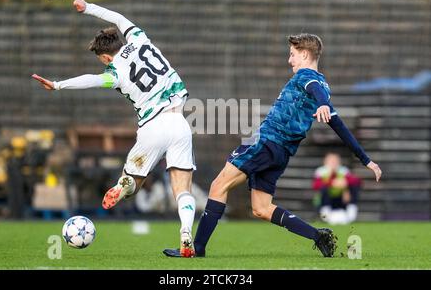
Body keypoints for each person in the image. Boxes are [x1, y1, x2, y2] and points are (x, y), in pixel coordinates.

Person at [163, 33, 382, 258]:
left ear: (305, 54)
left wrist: (324, 104)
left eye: (293, 55)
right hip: (281, 153)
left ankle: (196, 249)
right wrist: (366, 160)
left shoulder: (307, 77)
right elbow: (340, 127)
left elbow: (314, 87)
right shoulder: (324, 87)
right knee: (262, 208)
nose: (290, 60)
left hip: (265, 143)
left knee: (218, 186)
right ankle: (318, 236)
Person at [32, 0, 197, 257]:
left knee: (134, 183)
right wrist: (87, 8)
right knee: (182, 187)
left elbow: (92, 80)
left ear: (107, 56)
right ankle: (186, 233)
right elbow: (118, 18)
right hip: (179, 122)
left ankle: (126, 185)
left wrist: (58, 84)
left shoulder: (115, 72)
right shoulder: (140, 40)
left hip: (152, 127)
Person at [313, 152, 362, 225]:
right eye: (331, 161)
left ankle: (351, 213)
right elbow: (316, 185)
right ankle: (326, 215)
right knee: (323, 189)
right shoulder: (321, 171)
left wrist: (345, 183)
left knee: (354, 187)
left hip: (341, 198)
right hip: (326, 199)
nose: (333, 163)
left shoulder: (343, 170)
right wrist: (332, 183)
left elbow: (357, 181)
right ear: (325, 162)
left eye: (335, 160)